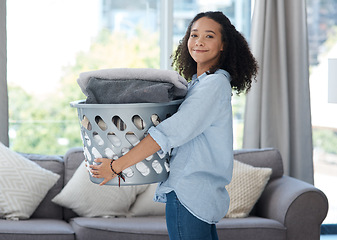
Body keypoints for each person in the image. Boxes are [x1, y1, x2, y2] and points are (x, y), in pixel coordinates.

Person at [90, 11, 258, 240]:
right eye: (194, 34)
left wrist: (115, 166)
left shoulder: (214, 84)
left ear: (223, 45)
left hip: (190, 193)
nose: (198, 41)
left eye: (209, 36)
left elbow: (169, 134)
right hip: (200, 194)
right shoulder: (199, 84)